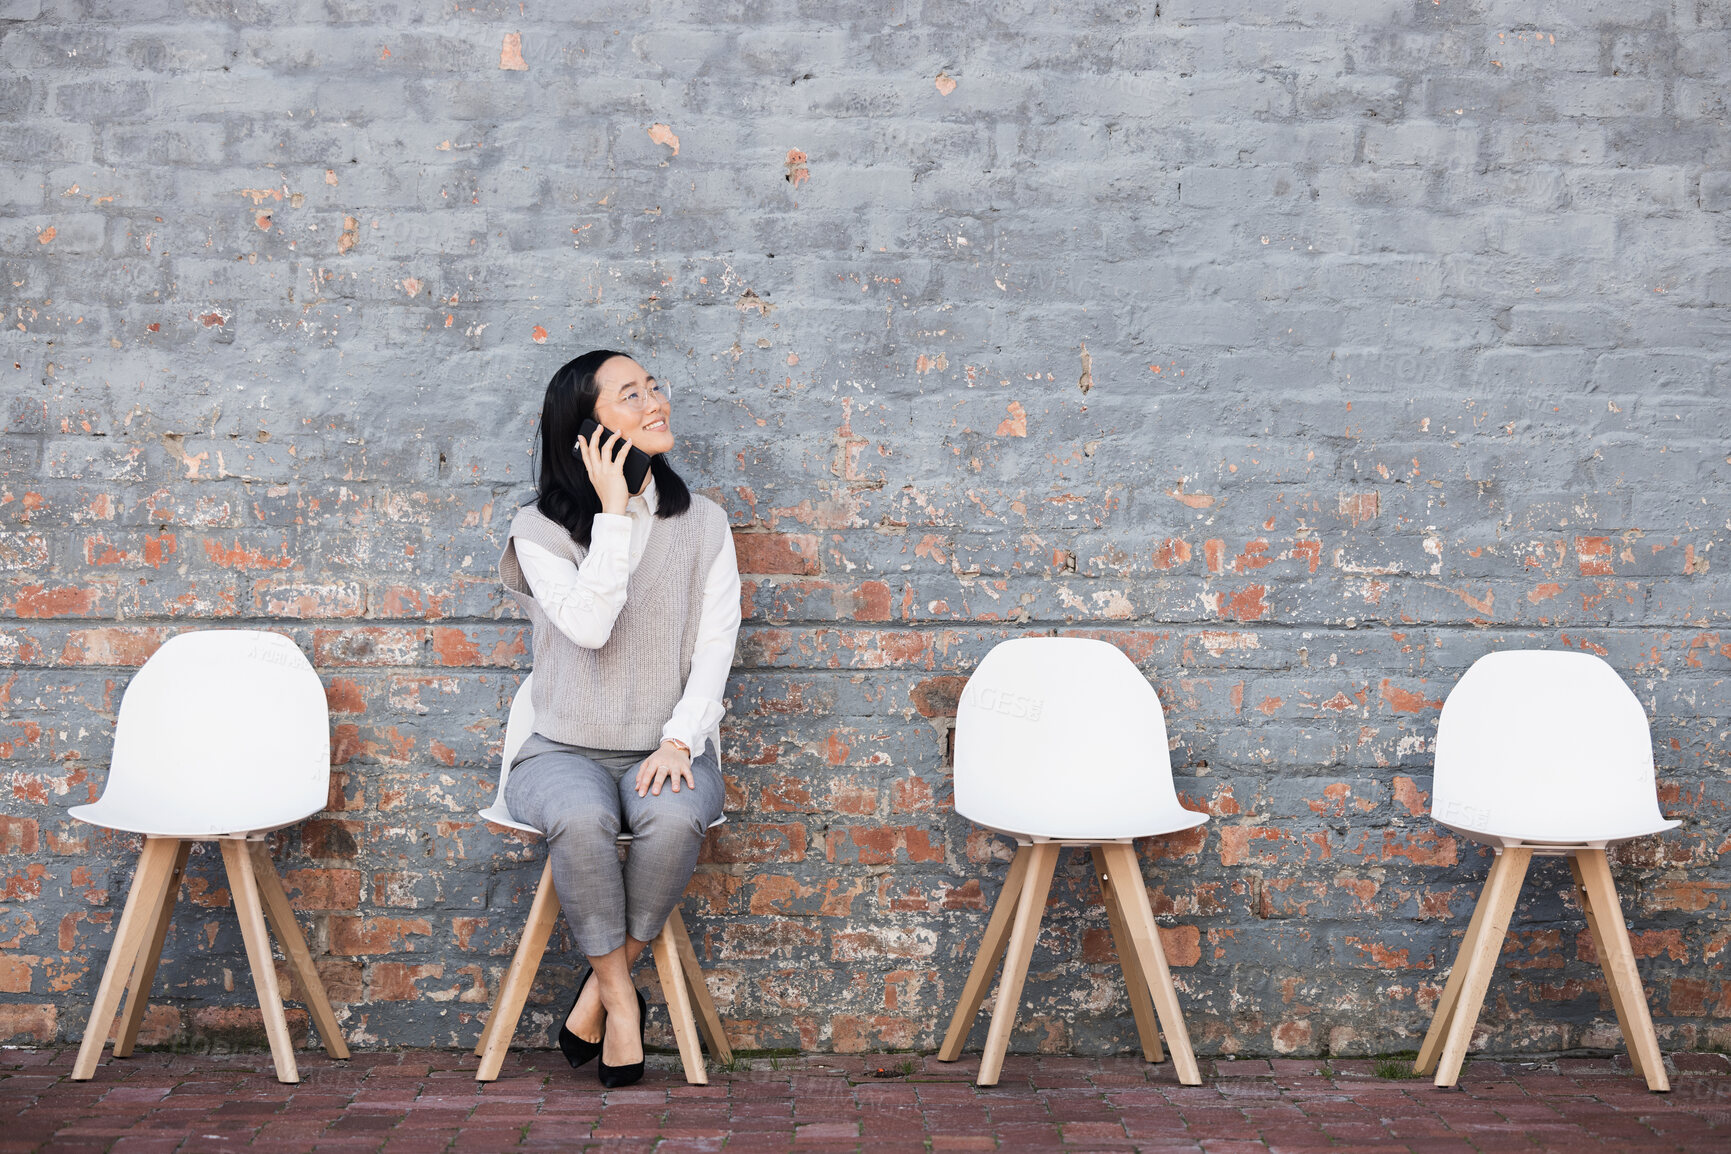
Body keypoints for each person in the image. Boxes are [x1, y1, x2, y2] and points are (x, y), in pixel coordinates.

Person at [498, 349, 740, 1087]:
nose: (654, 403)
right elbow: (590, 627)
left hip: (665, 748)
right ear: (586, 431)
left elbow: (715, 642)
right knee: (580, 820)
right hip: (558, 751)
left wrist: (679, 739)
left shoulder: (702, 524)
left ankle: (600, 990)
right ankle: (622, 1006)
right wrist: (610, 515)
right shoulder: (538, 530)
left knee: (671, 820)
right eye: (629, 395)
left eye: (653, 387)